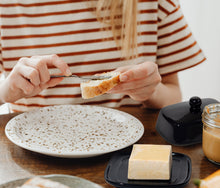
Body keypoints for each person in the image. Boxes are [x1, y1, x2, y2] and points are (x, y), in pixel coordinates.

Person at [0, 0, 206, 113]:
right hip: (30, 156)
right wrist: (5, 93)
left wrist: (149, 91)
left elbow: (173, 98)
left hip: (125, 156)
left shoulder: (155, 4)